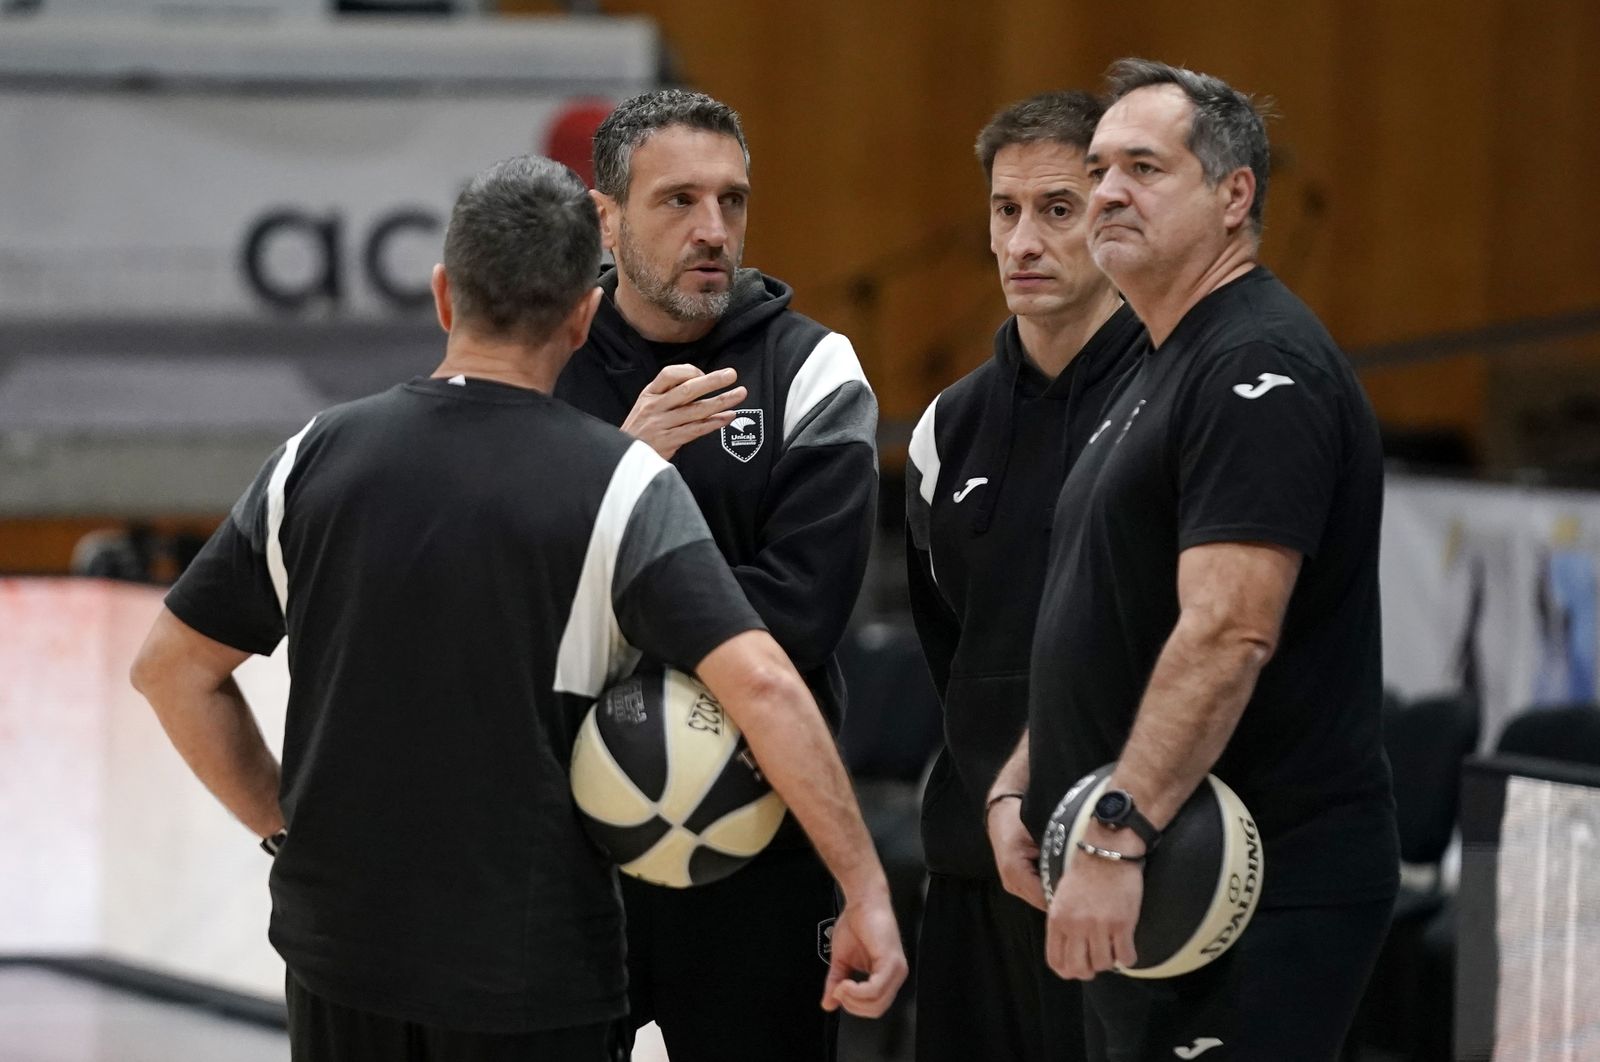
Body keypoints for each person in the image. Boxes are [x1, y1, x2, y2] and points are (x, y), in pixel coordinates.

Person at [129, 154, 905, 1062]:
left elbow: (170, 670)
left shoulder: (315, 455)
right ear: (583, 316)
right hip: (527, 971)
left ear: (443, 295)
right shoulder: (615, 482)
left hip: (334, 951)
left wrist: (281, 824)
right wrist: (864, 886)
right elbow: (767, 688)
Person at [988, 60, 1399, 1060]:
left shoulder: (1260, 363)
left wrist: (1111, 834)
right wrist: (1023, 783)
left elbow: (1228, 630)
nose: (1108, 191)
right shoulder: (1162, 362)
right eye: (1099, 167)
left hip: (1244, 881)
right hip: (1150, 867)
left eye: (1142, 166)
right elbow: (1113, 615)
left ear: (1232, 195)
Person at [555, 90, 878, 1062]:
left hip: (760, 846)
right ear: (604, 216)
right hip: (566, 855)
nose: (713, 231)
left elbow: (802, 613)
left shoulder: (813, 369)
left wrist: (601, 550)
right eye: (679, 200)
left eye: (731, 201)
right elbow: (498, 604)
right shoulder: (542, 368)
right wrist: (622, 467)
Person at [903, 91, 1143, 1062]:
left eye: (1056, 210)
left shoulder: (1175, 405)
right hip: (970, 873)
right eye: (1006, 211)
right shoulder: (945, 428)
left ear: (1113, 216)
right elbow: (948, 646)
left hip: (1124, 870)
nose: (1024, 242)